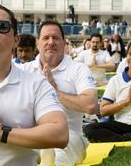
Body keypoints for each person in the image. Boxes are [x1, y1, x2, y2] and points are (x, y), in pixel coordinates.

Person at [0, 2, 68, 166]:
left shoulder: (36, 83)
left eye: (2, 26)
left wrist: (3, 133)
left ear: (15, 40)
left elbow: (60, 134)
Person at [19, 20, 98, 166]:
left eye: (55, 38)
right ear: (38, 43)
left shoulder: (78, 69)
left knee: (58, 158)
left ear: (63, 43)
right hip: (29, 134)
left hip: (68, 136)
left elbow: (91, 105)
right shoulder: (23, 70)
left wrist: (53, 91)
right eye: (46, 38)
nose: (50, 42)